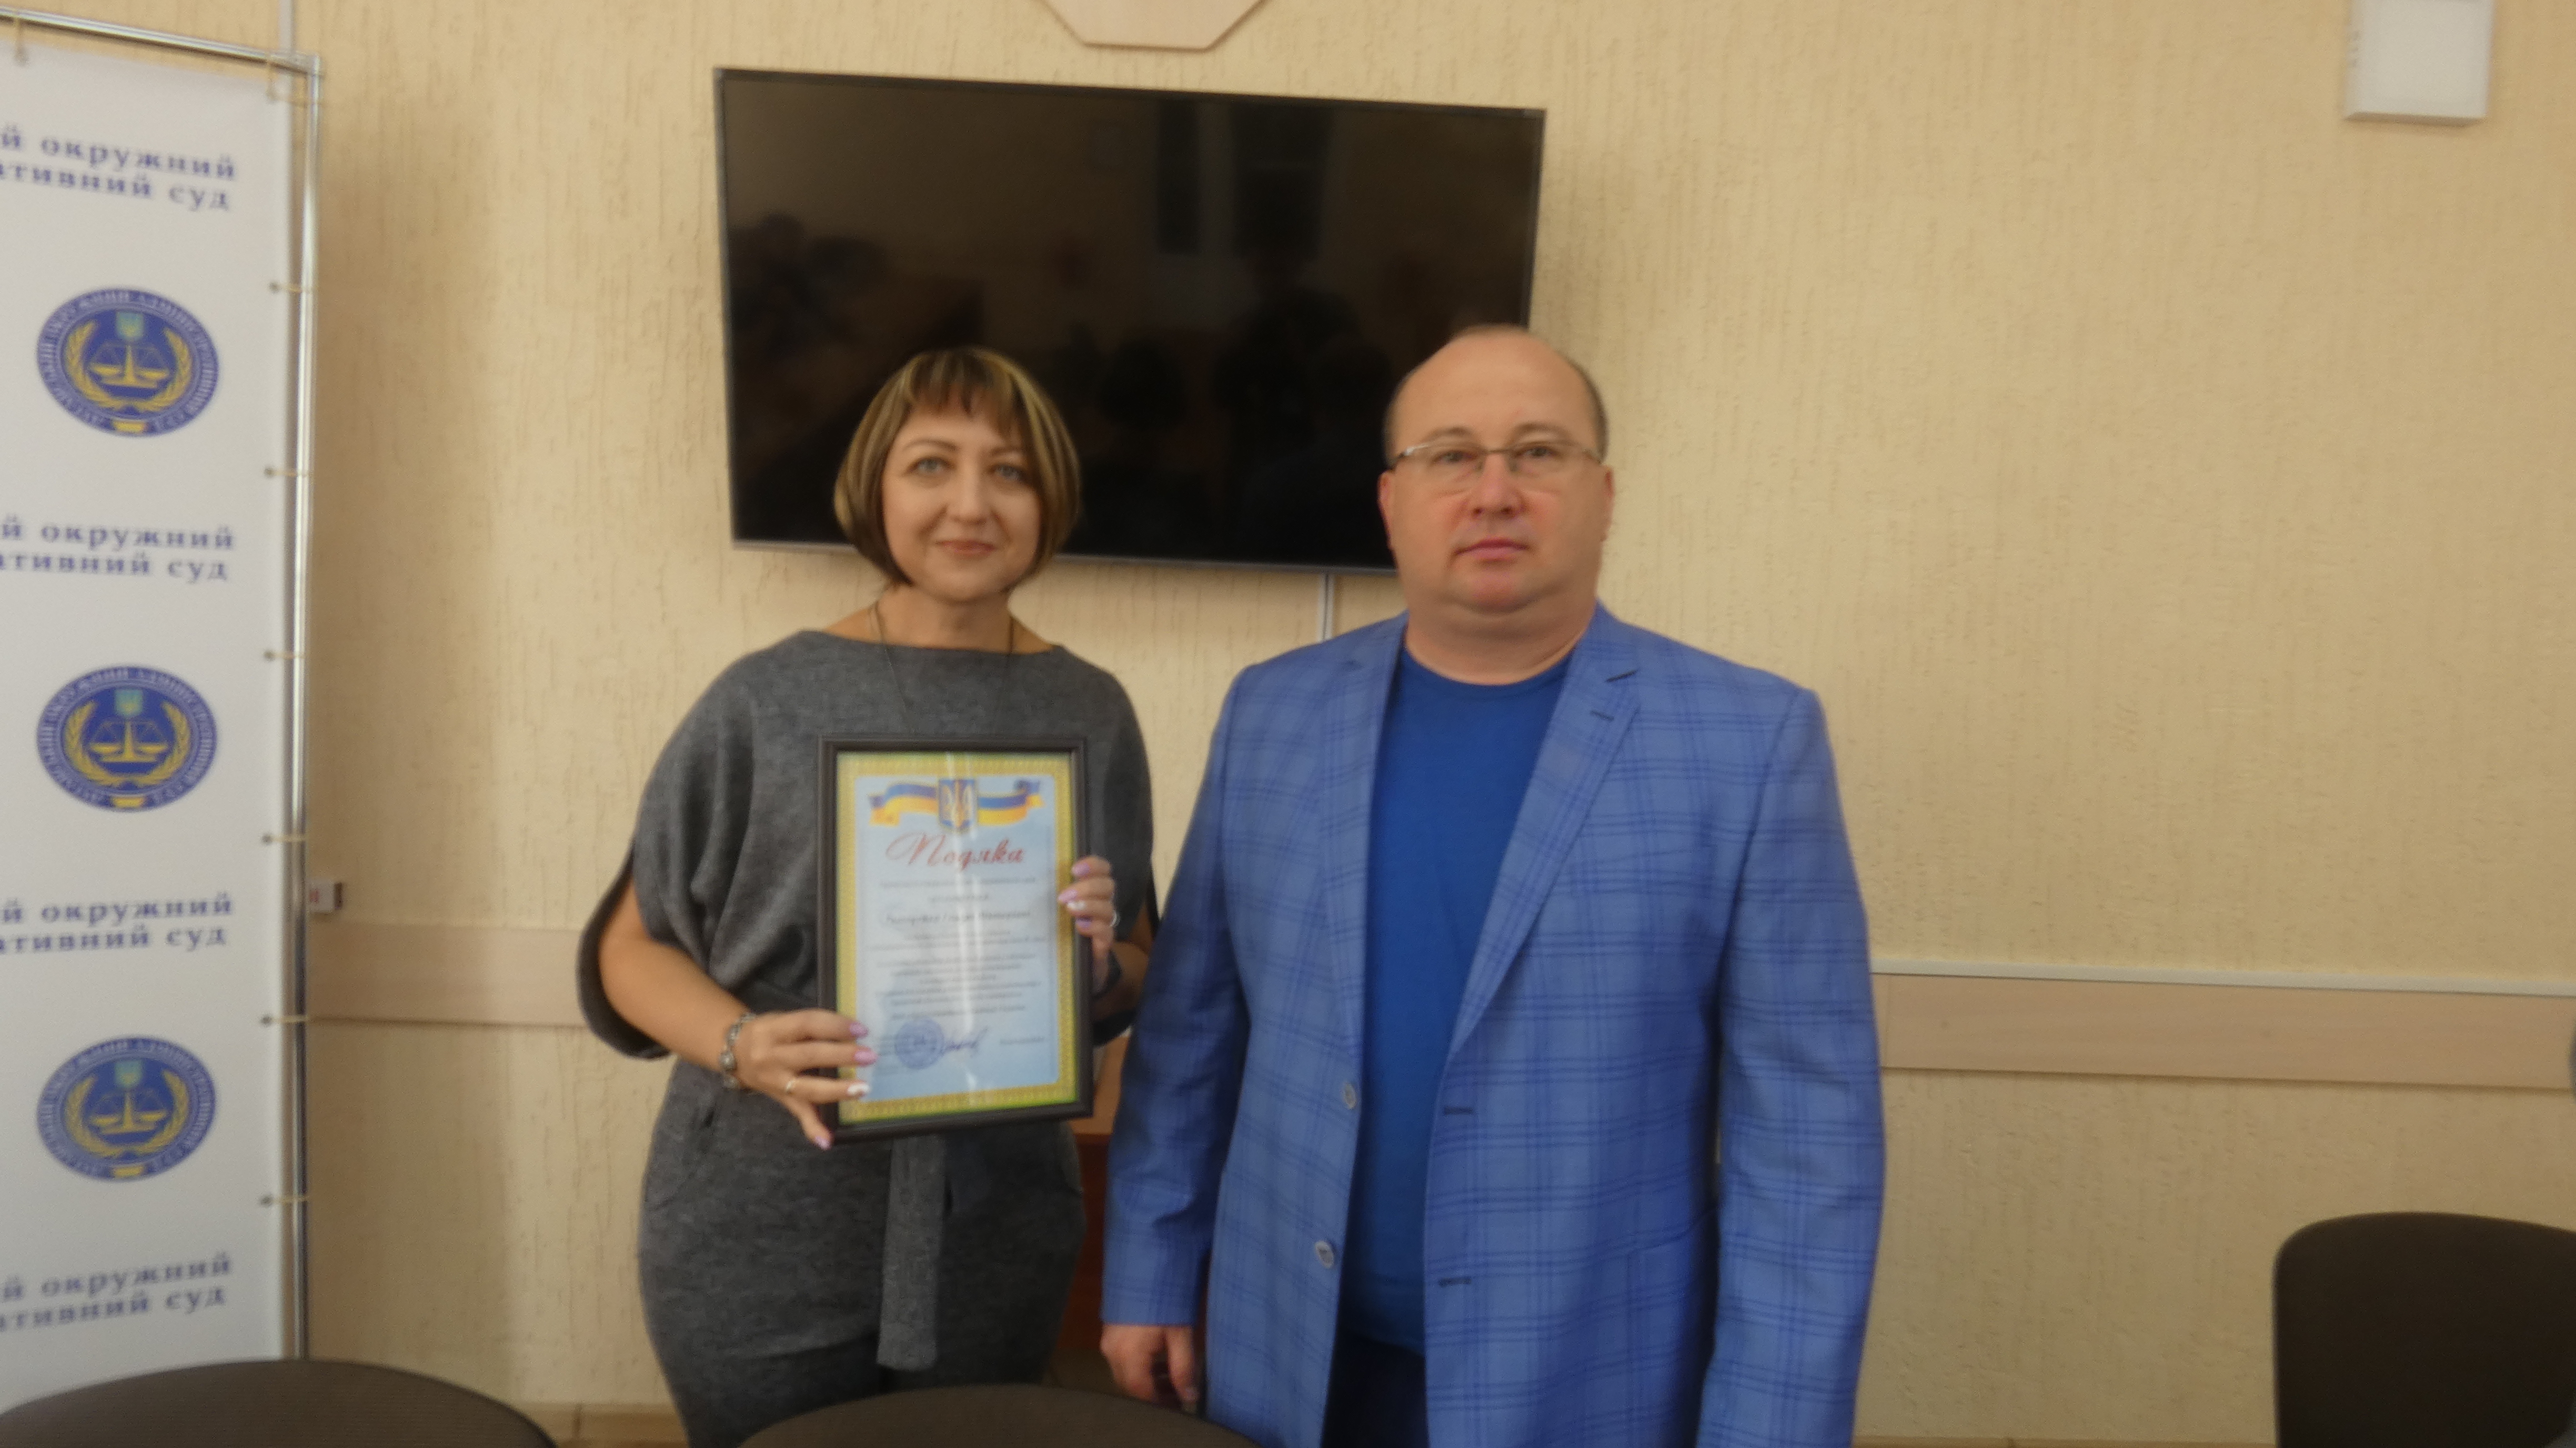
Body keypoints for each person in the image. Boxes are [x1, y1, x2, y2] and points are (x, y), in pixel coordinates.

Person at [1101, 326, 1885, 1447]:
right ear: (1391, 502)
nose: (1494, 491)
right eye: (1452, 455)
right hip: (1291, 1360)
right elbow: (1191, 1039)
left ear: (1605, 495)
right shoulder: (1273, 711)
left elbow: (1808, 1144)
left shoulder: (1751, 741)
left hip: (1590, 1381)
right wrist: (1151, 1267)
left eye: (1539, 452)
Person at [577, 348, 1156, 1448]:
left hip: (998, 1223)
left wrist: (1089, 969)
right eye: (932, 464)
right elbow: (630, 946)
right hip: (763, 1215)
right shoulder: (765, 697)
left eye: (1010, 471)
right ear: (874, 490)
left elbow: (1135, 960)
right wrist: (741, 1043)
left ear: (1049, 501)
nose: (971, 505)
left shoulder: (1092, 711)